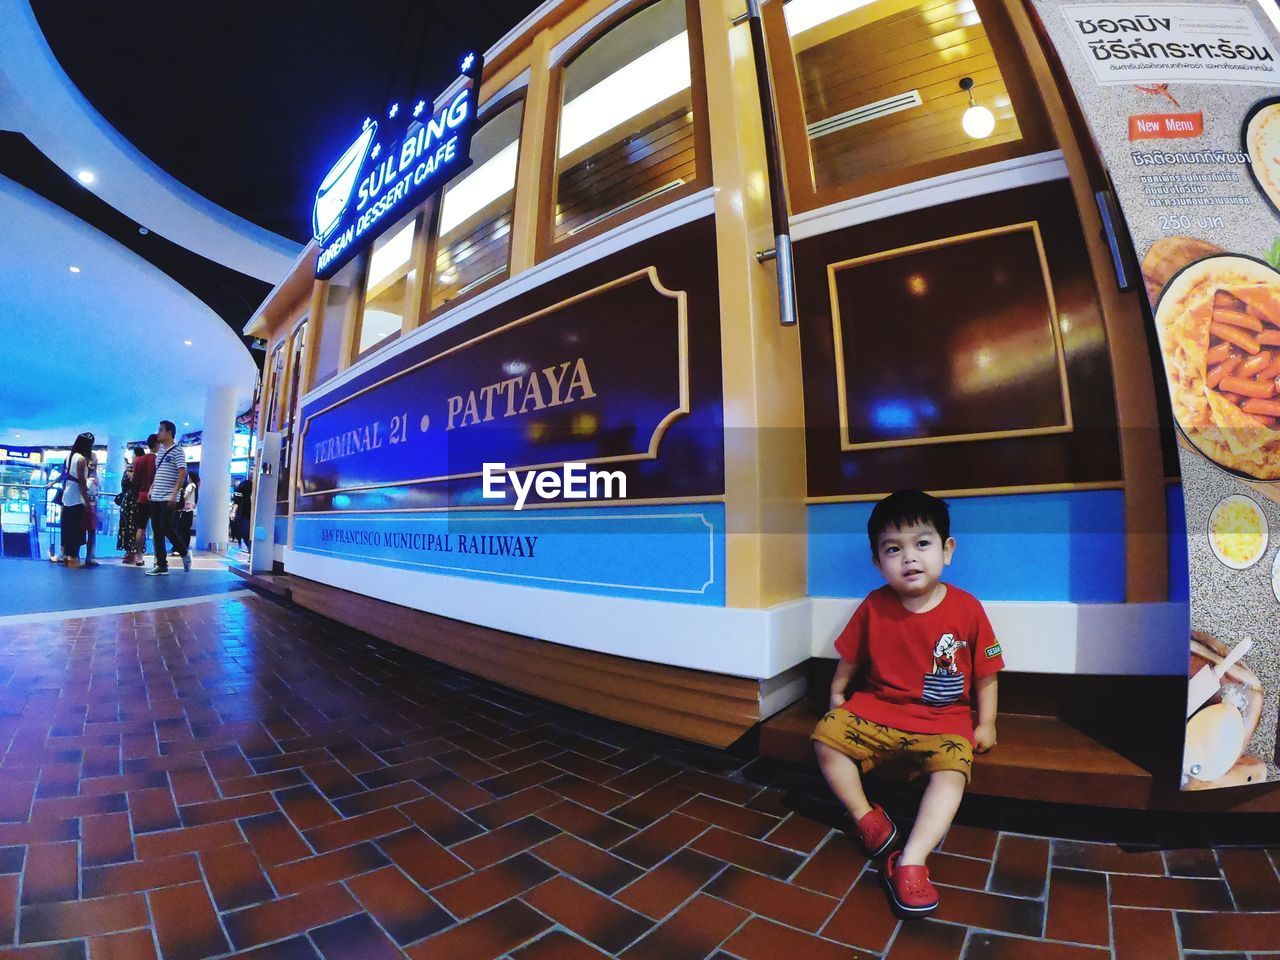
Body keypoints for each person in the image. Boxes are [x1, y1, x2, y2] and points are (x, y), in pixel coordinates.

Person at [811, 490, 1004, 918]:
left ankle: (911, 859)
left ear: (947, 550)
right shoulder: (875, 604)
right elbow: (851, 655)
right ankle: (866, 817)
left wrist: (986, 722)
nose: (909, 558)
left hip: (944, 719)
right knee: (826, 736)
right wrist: (837, 692)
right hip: (877, 709)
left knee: (953, 772)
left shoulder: (968, 609)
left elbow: (986, 673)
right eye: (893, 549)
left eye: (922, 543)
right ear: (878, 561)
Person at [146, 420, 189, 575]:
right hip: (156, 496)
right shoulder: (160, 453)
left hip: (168, 497)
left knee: (166, 528)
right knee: (157, 530)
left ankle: (184, 552)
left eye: (161, 430)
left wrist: (174, 494)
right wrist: (151, 488)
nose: (158, 433)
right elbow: (158, 472)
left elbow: (182, 472)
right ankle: (162, 565)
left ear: (169, 432)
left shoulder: (177, 451)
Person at [55, 432, 94, 568]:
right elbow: (82, 482)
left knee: (67, 527)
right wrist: (87, 501)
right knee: (77, 528)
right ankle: (73, 558)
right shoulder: (81, 459)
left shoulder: (68, 457)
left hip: (67, 496)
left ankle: (66, 555)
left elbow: (65, 476)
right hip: (77, 498)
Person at [131, 435, 158, 566]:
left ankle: (138, 556)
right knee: (157, 528)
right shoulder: (158, 460)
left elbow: (135, 480)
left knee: (140, 527)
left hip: (141, 497)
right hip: (156, 497)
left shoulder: (140, 460)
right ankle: (157, 557)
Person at [117, 446, 145, 564]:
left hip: (134, 501)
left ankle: (134, 551)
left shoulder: (138, 469)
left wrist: (131, 475)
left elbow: (136, 483)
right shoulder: (129, 469)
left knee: (133, 526)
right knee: (125, 525)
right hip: (127, 501)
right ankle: (128, 550)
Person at [175, 472, 198, 557]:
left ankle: (181, 547)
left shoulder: (190, 486)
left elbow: (185, 496)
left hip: (186, 510)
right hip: (189, 510)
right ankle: (184, 546)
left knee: (182, 529)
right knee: (186, 530)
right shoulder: (195, 486)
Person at [83, 456, 101, 567]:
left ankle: (89, 555)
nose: (92, 467)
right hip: (86, 505)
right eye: (90, 465)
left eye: (94, 465)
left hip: (92, 506)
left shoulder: (94, 479)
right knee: (86, 531)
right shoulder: (86, 479)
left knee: (91, 531)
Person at [231, 476, 253, 549]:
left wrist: (233, 512)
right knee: (245, 531)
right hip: (245, 512)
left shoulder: (244, 484)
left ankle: (250, 549)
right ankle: (250, 549)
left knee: (245, 531)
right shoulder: (244, 484)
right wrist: (233, 512)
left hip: (245, 512)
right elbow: (237, 500)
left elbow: (237, 500)